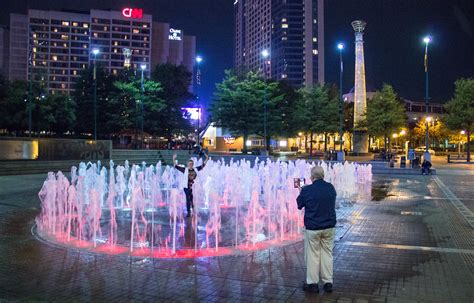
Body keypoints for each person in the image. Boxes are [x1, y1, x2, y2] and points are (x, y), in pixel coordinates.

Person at [296, 166, 337, 294]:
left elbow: (299, 205)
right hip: (329, 227)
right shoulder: (330, 187)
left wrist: (301, 191)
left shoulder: (307, 190)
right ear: (323, 176)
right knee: (327, 254)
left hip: (313, 228)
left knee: (313, 255)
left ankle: (313, 284)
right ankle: (328, 282)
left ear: (312, 177)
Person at [173, 153, 209, 217]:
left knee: (192, 199)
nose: (190, 165)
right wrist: (174, 159)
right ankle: (188, 212)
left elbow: (203, 165)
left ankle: (194, 210)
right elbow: (176, 166)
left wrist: (207, 158)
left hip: (193, 188)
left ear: (193, 164)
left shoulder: (195, 169)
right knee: (188, 199)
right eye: (189, 164)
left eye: (191, 164)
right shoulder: (185, 169)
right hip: (186, 187)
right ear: (187, 164)